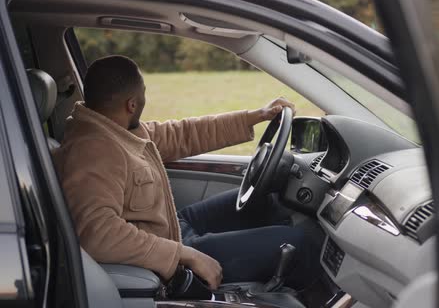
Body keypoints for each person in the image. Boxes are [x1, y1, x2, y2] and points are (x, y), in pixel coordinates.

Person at [52, 55, 318, 291]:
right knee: (297, 243)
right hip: (165, 257)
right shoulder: (92, 151)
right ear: (132, 104)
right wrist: (184, 254)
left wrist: (255, 116)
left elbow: (182, 133)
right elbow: (96, 233)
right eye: (144, 93)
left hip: (175, 229)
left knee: (265, 201)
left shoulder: (117, 129)